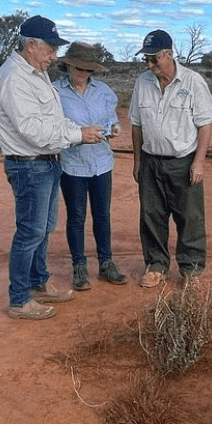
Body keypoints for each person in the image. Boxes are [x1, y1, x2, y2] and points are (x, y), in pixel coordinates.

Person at [0, 16, 103, 321]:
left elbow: (52, 122)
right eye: (50, 49)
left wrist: (80, 130)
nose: (54, 56)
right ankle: (19, 299)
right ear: (30, 46)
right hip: (29, 166)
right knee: (30, 232)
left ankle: (39, 283)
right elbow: (33, 131)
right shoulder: (14, 79)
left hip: (46, 164)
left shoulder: (35, 74)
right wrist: (79, 135)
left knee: (44, 229)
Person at [128, 29, 212, 288]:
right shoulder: (142, 83)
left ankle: (191, 269)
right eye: (146, 59)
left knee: (189, 217)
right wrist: (137, 162)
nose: (149, 65)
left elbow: (205, 125)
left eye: (154, 59)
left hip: (183, 161)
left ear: (169, 54)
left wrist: (199, 162)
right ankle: (156, 265)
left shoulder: (193, 82)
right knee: (151, 216)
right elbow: (136, 126)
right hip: (150, 161)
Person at [52, 42, 128, 290]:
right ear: (69, 65)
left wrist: (113, 130)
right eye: (78, 67)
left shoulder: (103, 91)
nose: (82, 73)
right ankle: (79, 267)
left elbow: (112, 121)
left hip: (101, 162)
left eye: (87, 69)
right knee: (76, 217)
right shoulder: (54, 92)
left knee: (102, 216)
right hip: (72, 164)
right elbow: (54, 127)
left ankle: (106, 264)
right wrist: (79, 134)